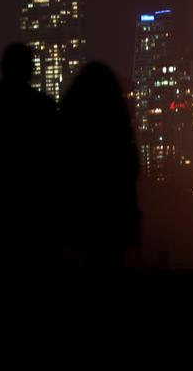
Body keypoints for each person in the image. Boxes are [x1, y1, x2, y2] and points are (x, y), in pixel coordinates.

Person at [0, 43, 58, 269]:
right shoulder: (44, 107)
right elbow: (56, 155)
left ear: (2, 67)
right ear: (31, 70)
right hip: (36, 210)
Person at [59, 62, 141, 272]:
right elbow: (132, 170)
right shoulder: (117, 125)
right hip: (114, 214)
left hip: (82, 212)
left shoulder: (70, 122)